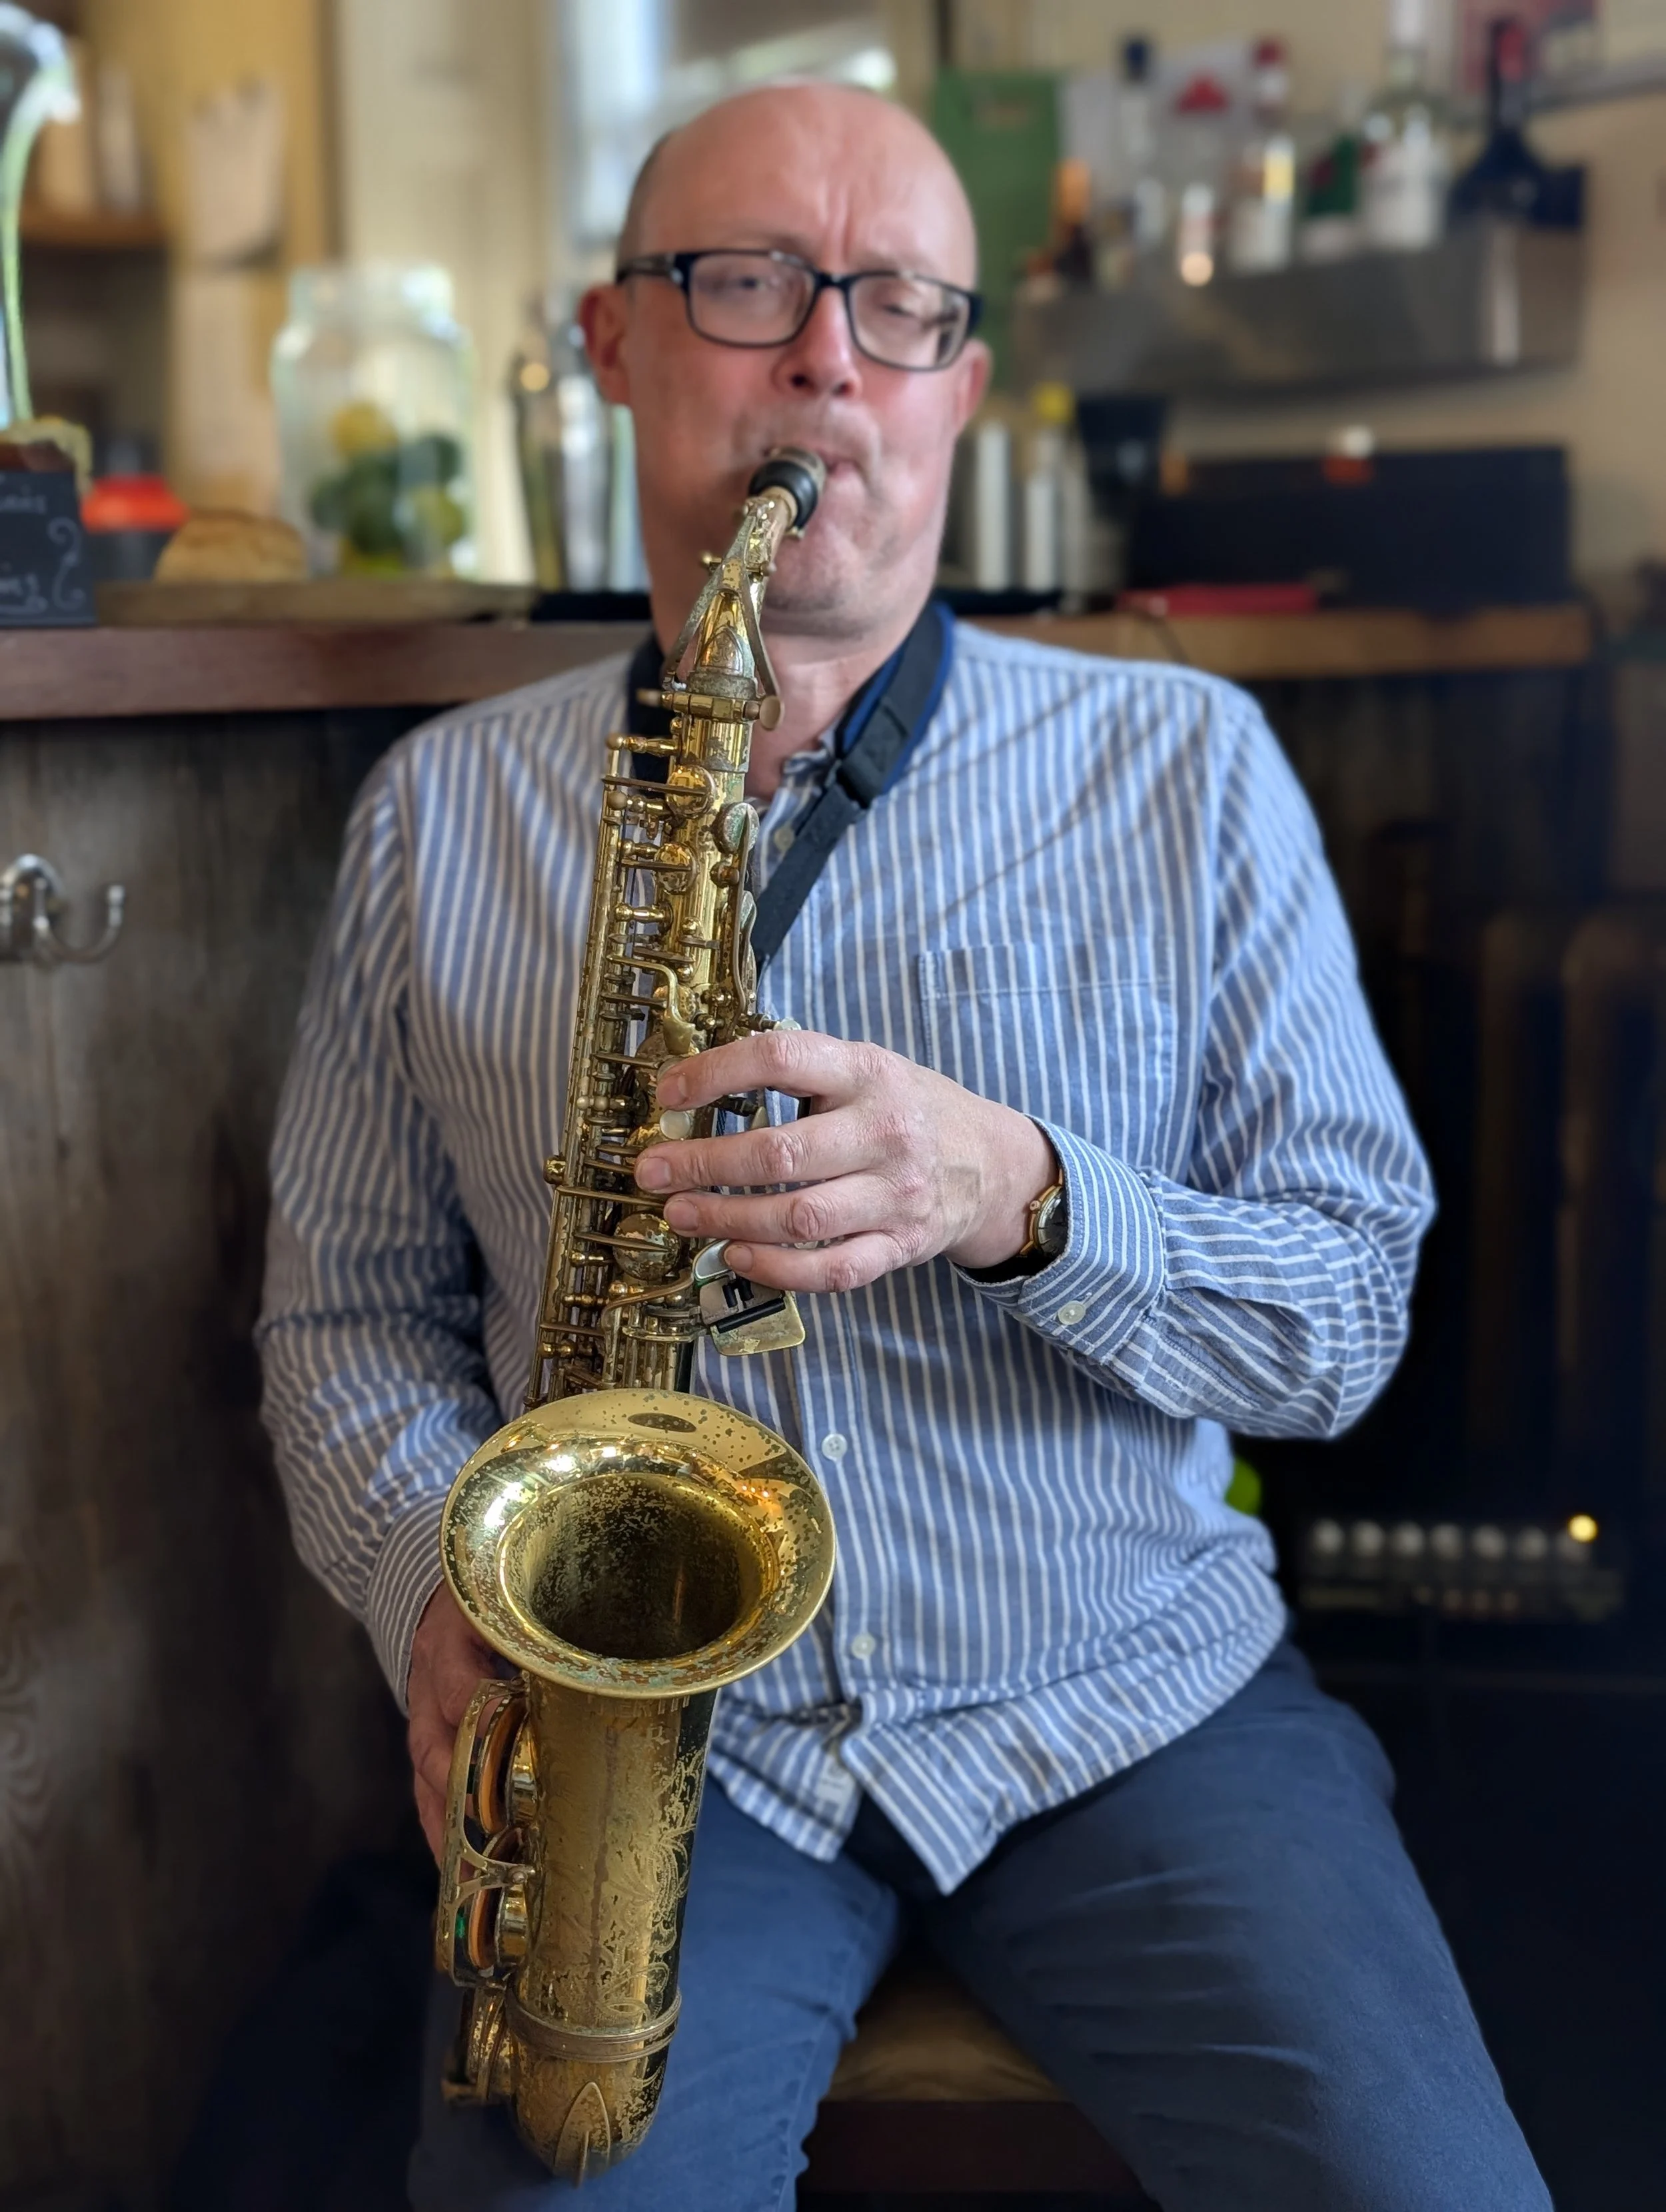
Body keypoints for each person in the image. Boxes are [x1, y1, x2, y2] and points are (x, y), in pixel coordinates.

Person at [257, 80, 1550, 2212]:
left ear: (960, 384)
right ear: (615, 343)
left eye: (898, 306)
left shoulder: (1188, 768)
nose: (823, 361)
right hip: (666, 1747)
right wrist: (435, 1596)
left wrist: (1021, 1198)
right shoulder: (442, 816)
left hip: (1136, 1707)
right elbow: (340, 1318)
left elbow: (1346, 1312)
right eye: (746, 283)